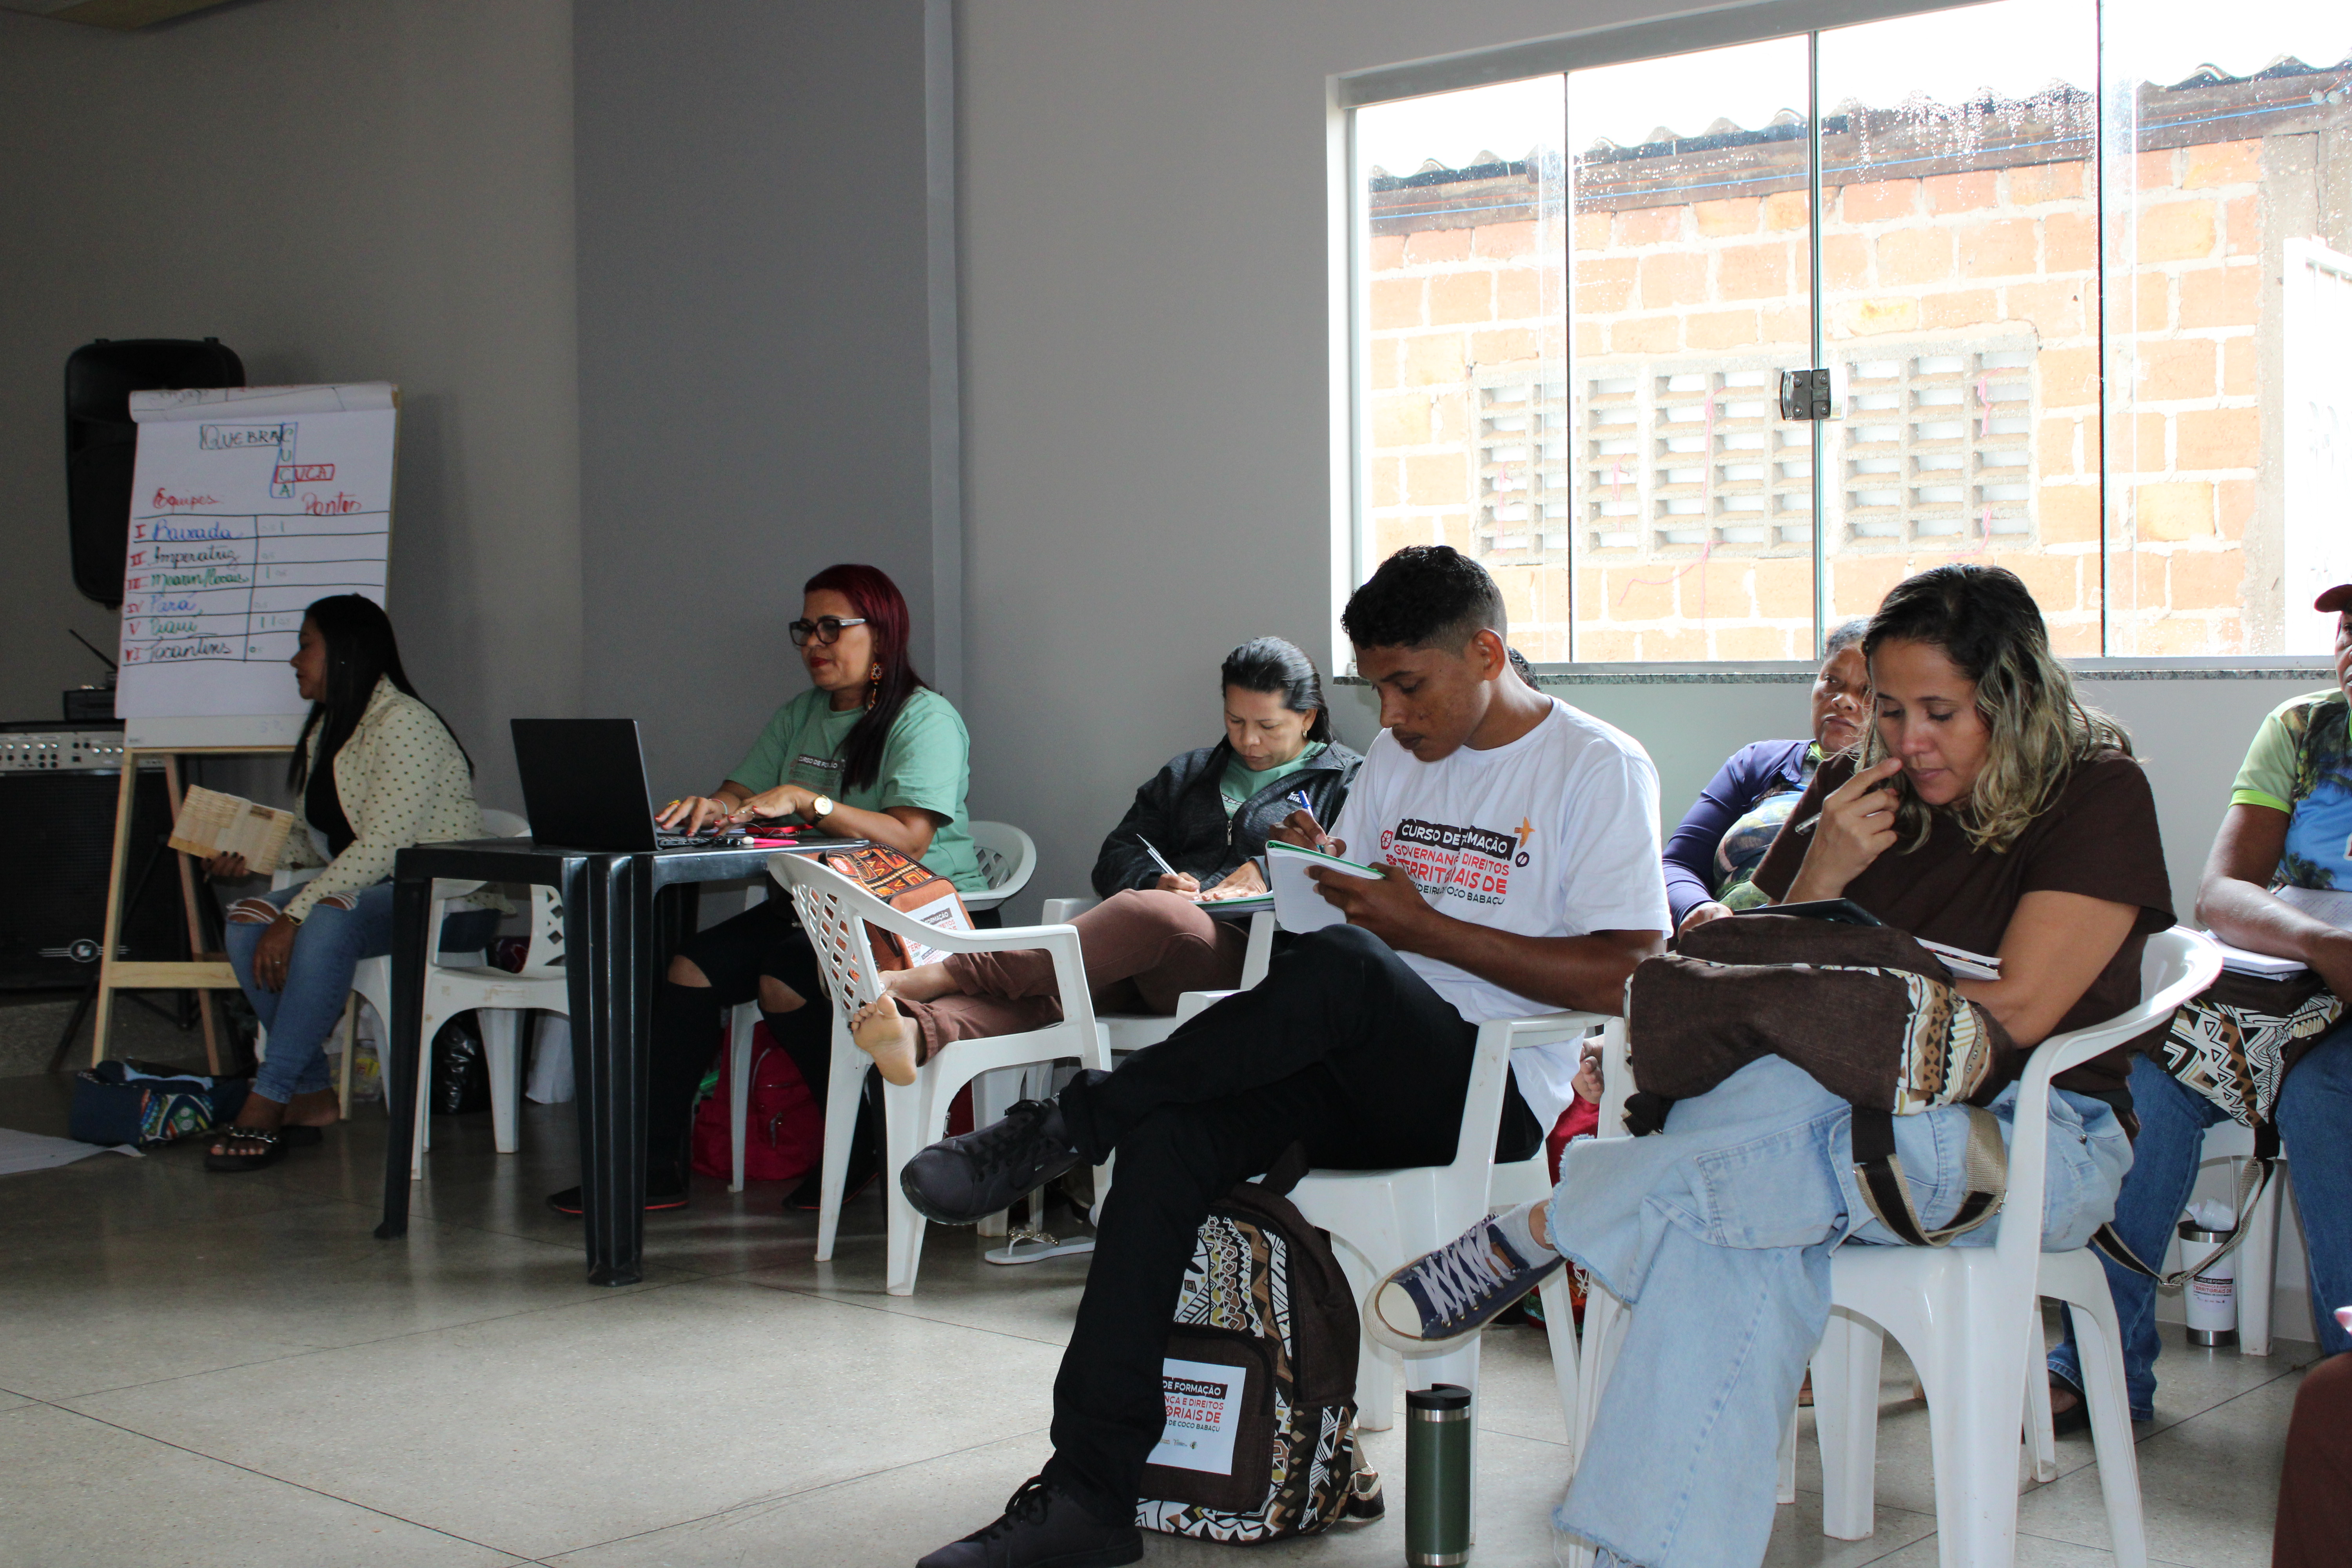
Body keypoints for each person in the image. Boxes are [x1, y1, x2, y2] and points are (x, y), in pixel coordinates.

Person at [1372, 563, 2174, 1568]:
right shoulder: (1855, 785)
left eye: (1940, 712)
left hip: (2017, 1138)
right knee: (1735, 1223)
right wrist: (1825, 870)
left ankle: (1560, 1220)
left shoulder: (2096, 791)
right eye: (1890, 708)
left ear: (2013, 698)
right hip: (1808, 1133)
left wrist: (1842, 1000)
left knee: (1747, 1154)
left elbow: (2011, 1013)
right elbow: (1736, 975)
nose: (1907, 740)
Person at [897, 544, 1670, 1568]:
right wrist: (1324, 870)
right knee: (1170, 1138)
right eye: (1377, 688)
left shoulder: (1596, 766)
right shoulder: (1400, 755)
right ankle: (1090, 1493)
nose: (1390, 716)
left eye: (1409, 685)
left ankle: (1068, 1124)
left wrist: (1422, 928)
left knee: (1351, 967)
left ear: (1487, 653)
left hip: (1487, 1086)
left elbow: (1628, 972)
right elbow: (1348, 922)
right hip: (1352, 1058)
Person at [545, 563, 987, 1216]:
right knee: (691, 968)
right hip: (817, 907)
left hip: (914, 918)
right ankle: (653, 1167)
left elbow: (909, 839)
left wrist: (810, 802)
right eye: (806, 629)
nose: (815, 644)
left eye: (832, 628)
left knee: (784, 978)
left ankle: (864, 1139)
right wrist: (714, 808)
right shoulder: (801, 714)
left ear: (883, 635)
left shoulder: (926, 719)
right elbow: (742, 793)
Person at [2046, 582, 2352, 1429]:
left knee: (2324, 1093)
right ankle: (2100, 1365)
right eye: (2348, 626)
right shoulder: (2304, 729)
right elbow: (2222, 893)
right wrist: (2324, 946)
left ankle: (2344, 1388)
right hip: (2294, 986)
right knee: (2149, 1072)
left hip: (2333, 1040)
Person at [842, 637, 1361, 1084]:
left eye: (1268, 726)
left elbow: (1348, 869)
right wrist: (1155, 879)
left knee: (1149, 915)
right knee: (1061, 987)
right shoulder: (1188, 774)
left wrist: (1267, 869)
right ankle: (917, 1032)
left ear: (1308, 716)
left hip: (1246, 962)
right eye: (1235, 720)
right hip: (1147, 952)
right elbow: (1115, 856)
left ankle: (945, 973)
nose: (1248, 740)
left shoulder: (1345, 782)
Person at [205, 595, 504, 1172]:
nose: (295, 661)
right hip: (367, 896)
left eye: (305, 646)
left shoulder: (404, 722)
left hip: (447, 901)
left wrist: (294, 916)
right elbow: (320, 841)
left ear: (344, 652)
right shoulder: (330, 728)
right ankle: (311, 1093)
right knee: (247, 921)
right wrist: (247, 851)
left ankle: (270, 1094)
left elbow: (386, 845)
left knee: (325, 915)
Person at [1664, 619, 1869, 933]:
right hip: (1721, 939)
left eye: (1867, 691)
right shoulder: (1759, 763)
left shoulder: (1902, 790)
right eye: (1832, 680)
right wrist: (1697, 907)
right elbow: (1678, 864)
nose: (1842, 700)